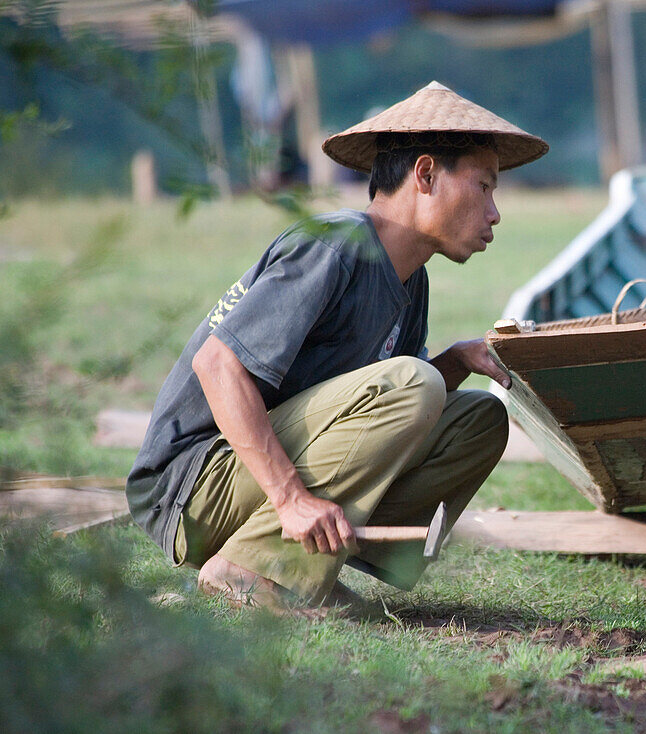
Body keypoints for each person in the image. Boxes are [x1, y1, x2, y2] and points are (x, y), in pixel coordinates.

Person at [126, 82, 548, 613]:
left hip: (254, 470)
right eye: (483, 186)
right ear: (425, 175)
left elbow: (379, 412)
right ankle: (250, 568)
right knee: (415, 384)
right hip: (193, 489)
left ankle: (309, 563)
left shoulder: (409, 280)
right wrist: (290, 499)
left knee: (480, 418)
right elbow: (217, 365)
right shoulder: (333, 245)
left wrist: (455, 361)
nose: (494, 212)